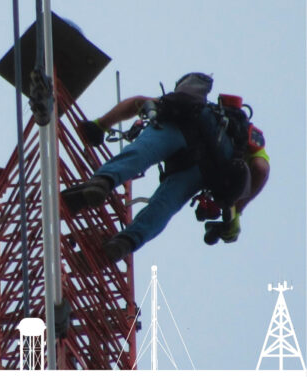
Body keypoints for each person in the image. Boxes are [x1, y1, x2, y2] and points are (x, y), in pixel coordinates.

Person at [61, 72, 270, 263]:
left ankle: (101, 183)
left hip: (179, 127)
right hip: (205, 168)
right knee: (165, 205)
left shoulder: (192, 108)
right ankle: (124, 243)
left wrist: (99, 125)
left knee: (141, 152)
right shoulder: (242, 139)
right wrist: (236, 212)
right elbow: (260, 168)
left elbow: (137, 103)